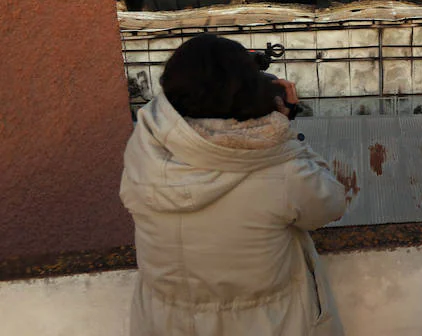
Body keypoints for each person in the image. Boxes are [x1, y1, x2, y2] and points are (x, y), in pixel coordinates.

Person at [120, 34, 347, 335]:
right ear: (248, 91)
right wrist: (283, 130)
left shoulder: (144, 151)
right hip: (265, 325)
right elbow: (329, 205)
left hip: (165, 324)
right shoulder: (280, 167)